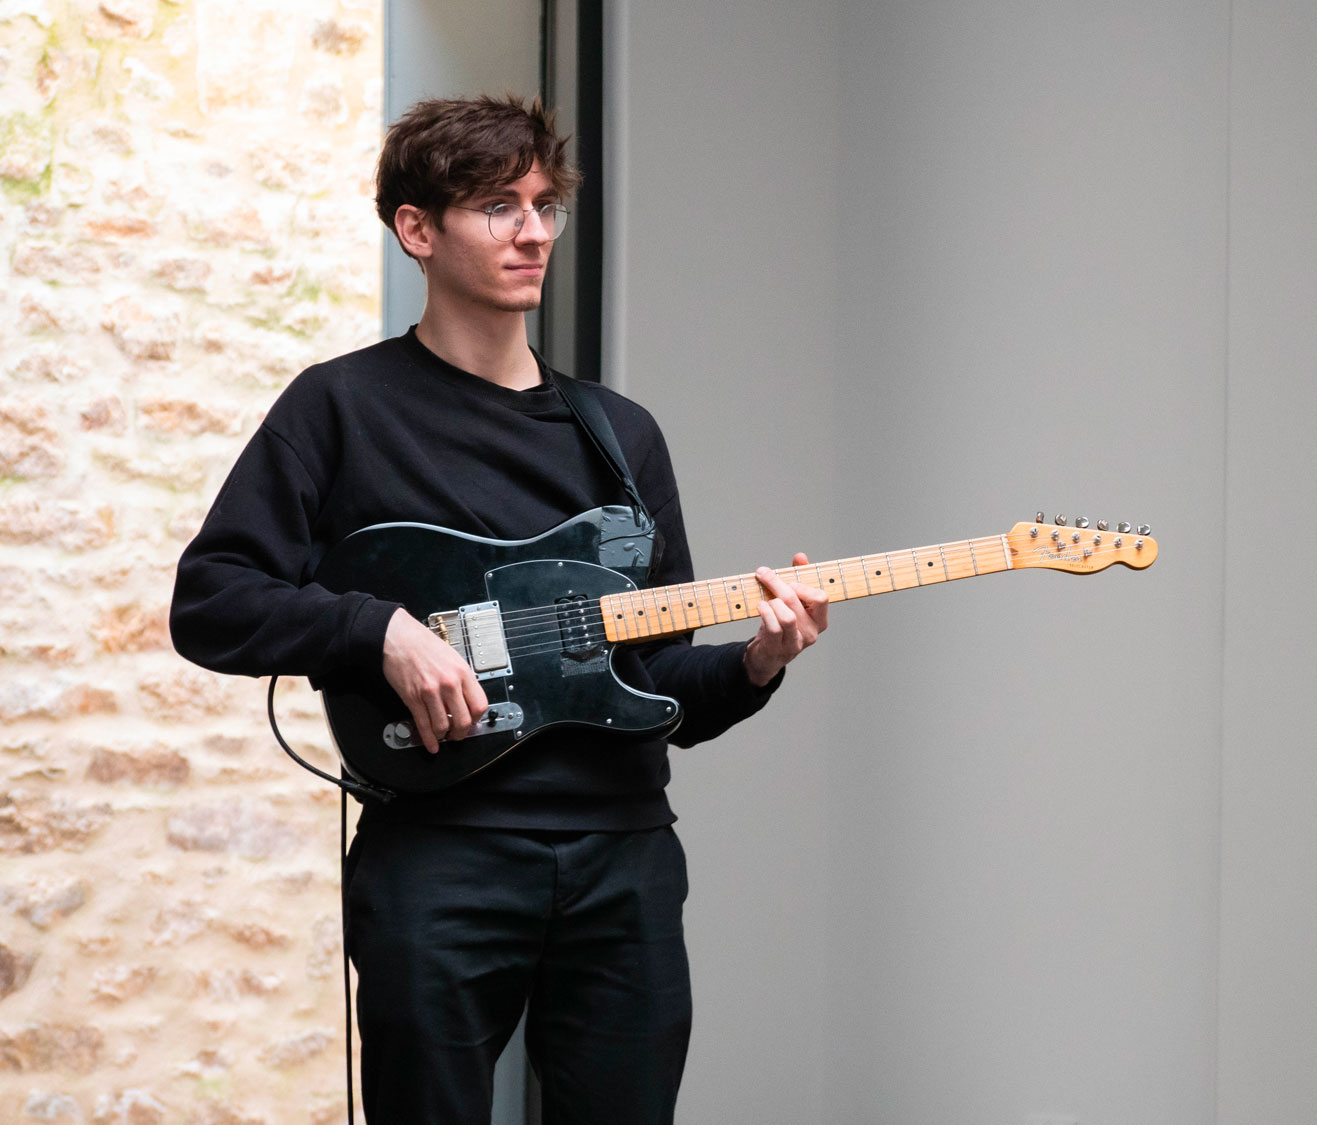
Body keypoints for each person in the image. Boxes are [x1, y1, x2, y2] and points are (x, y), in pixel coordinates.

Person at [170, 94, 828, 1124]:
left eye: (543, 205)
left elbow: (655, 686)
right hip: (439, 861)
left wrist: (757, 666)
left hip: (624, 859)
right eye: (495, 206)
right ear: (417, 230)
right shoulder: (339, 407)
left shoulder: (619, 433)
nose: (532, 231)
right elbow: (210, 600)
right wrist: (376, 630)